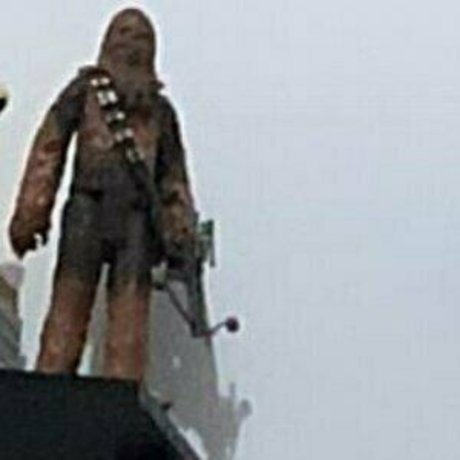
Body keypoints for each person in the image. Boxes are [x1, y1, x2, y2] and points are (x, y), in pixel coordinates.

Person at [8, 8, 196, 383]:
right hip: (86, 209)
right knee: (68, 306)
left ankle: (121, 392)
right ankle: (50, 384)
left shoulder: (160, 113)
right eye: (123, 34)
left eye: (140, 38)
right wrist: (31, 211)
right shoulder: (84, 93)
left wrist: (180, 227)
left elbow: (173, 178)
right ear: (108, 41)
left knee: (130, 316)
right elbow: (49, 147)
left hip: (137, 221)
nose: (131, 43)